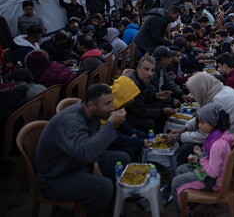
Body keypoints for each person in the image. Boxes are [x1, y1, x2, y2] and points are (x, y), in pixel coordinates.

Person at [34, 84, 130, 217]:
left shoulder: (92, 114)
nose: (112, 108)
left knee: (122, 159)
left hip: (75, 162)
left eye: (111, 102)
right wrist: (110, 124)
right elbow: (84, 153)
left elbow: (91, 141)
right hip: (56, 176)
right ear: (91, 105)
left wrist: (95, 162)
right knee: (104, 187)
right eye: (107, 104)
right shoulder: (71, 121)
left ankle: (111, 209)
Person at [165, 72, 234, 164]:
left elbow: (206, 135)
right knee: (186, 138)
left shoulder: (219, 101)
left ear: (201, 89)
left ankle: (189, 175)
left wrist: (179, 136)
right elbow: (204, 117)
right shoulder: (222, 90)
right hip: (233, 135)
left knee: (187, 148)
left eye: (195, 93)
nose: (195, 96)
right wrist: (185, 128)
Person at [171, 103, 234, 213]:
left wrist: (200, 156)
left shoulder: (217, 144)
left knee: (176, 183)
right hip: (215, 175)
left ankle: (184, 212)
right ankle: (191, 201)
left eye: (202, 122)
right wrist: (197, 160)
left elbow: (212, 173)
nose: (199, 125)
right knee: (181, 169)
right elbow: (212, 162)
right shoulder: (218, 135)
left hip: (213, 181)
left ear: (213, 123)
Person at [125, 56, 176, 133]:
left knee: (160, 105)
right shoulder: (133, 83)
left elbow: (142, 98)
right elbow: (139, 111)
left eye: (152, 70)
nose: (150, 74)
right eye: (146, 69)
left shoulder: (141, 78)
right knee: (149, 122)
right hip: (125, 114)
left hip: (135, 108)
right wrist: (162, 112)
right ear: (138, 68)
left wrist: (156, 96)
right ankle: (151, 141)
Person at [107, 76, 150, 160]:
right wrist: (138, 142)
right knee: (128, 150)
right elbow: (114, 136)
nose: (133, 100)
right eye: (131, 97)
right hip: (107, 140)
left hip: (115, 134)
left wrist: (132, 132)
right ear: (123, 95)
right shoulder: (108, 107)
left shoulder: (118, 105)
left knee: (142, 135)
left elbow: (123, 124)